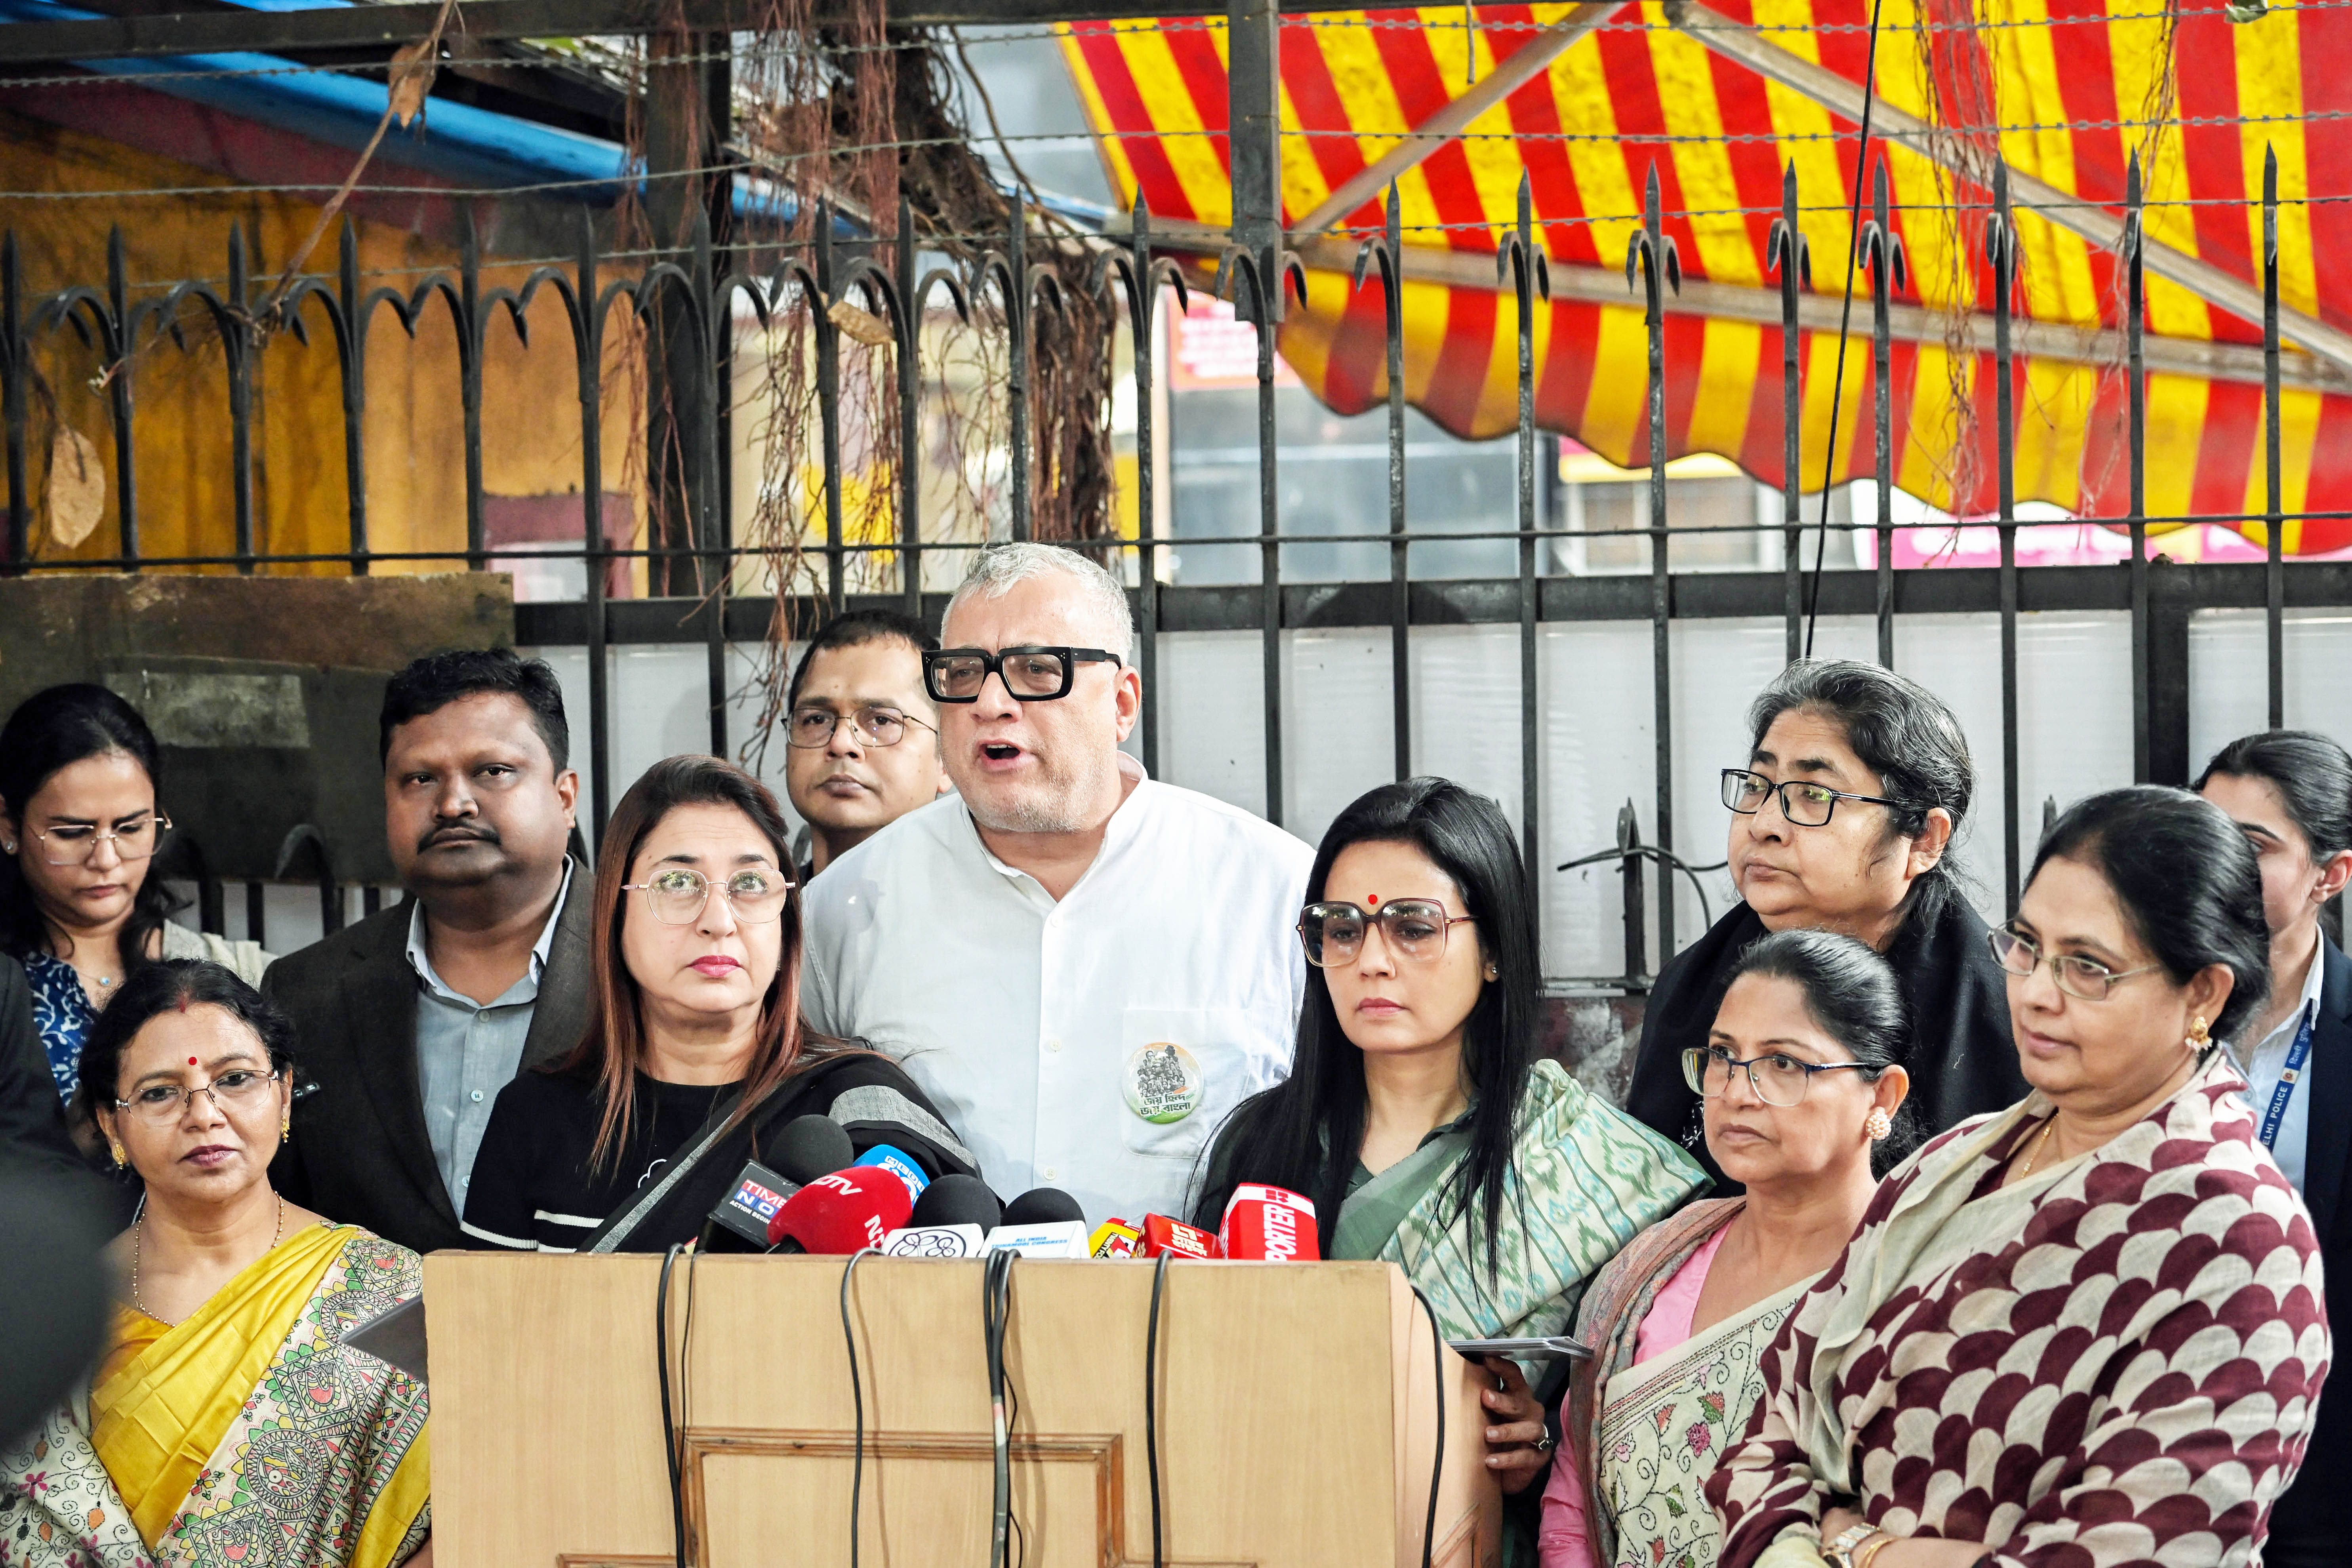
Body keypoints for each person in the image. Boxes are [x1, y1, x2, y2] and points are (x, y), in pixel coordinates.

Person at [1708, 786, 2329, 1568]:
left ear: (2200, 992)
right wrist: (1793, 1549)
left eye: (2087, 967)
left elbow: (2131, 1549)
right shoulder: (1956, 1159)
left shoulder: (2238, 1236)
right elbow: (1775, 1416)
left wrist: (1857, 1547)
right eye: (2027, 946)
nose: (2035, 990)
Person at [1192, 779, 1708, 1556]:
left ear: (1493, 948)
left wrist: (1541, 1444)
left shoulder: (1593, 1166)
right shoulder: (1261, 1144)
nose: (1371, 959)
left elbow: (1660, 1440)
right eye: (1341, 927)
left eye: (1412, 927)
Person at [800, 542, 1315, 1223]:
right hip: (921, 1322)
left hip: (1189, 1322)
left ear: (1122, 702)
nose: (990, 701)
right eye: (962, 672)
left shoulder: (1272, 890)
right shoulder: (846, 904)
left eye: (1035, 669)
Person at [0, 959, 431, 1568]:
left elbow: (454, 1511)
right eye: (159, 1092)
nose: (203, 1113)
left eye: (235, 1079)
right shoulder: (55, 1308)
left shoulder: (390, 1291)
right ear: (109, 1122)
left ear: (283, 1092)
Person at [461, 755, 976, 1253]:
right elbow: (489, 1328)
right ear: (615, 916)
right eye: (678, 882)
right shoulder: (535, 1115)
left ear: (786, 924)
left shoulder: (856, 1107)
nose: (718, 920)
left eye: (750, 883)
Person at [1543, 930, 1913, 1568]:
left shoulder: (1915, 1281)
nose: (1738, 1091)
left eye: (1784, 1063)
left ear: (1879, 1095)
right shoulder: (1651, 1267)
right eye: (1722, 1056)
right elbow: (1572, 1502)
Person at [1624, 660, 2024, 1188]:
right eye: (1757, 785)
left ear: (1924, 839)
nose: (1763, 824)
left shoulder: (2001, 1016)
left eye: (1814, 794)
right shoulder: (1694, 984)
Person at [265, 649, 592, 1255]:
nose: (452, 804)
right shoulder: (304, 994)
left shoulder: (647, 964)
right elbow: (278, 1219)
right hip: (363, 1347)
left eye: (492, 771)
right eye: (419, 779)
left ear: (565, 797)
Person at [2194, 730, 2352, 1568]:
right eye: (2206, 831)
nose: (2220, 862)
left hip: (2328, 1452)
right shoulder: (2139, 1016)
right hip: (2166, 1417)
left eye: (2252, 844)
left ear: (2330, 873)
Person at [0, 684, 269, 1109]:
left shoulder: (241, 972)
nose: (106, 858)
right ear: (9, 826)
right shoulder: (10, 984)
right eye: (72, 832)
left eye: (130, 828)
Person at [780, 608, 952, 879]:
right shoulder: (759, 916)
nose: (841, 743)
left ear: (946, 759)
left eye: (882, 721)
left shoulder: (985, 915)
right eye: (816, 719)